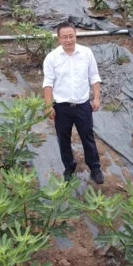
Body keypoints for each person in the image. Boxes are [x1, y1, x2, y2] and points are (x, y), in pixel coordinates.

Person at [43, 21, 104, 184]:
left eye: (71, 36)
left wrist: (96, 98)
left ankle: (95, 168)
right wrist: (49, 106)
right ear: (58, 38)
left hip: (83, 105)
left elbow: (94, 76)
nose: (68, 40)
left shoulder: (86, 53)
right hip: (62, 107)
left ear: (75, 35)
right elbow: (47, 84)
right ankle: (69, 167)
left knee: (88, 137)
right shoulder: (52, 58)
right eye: (64, 37)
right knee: (63, 139)